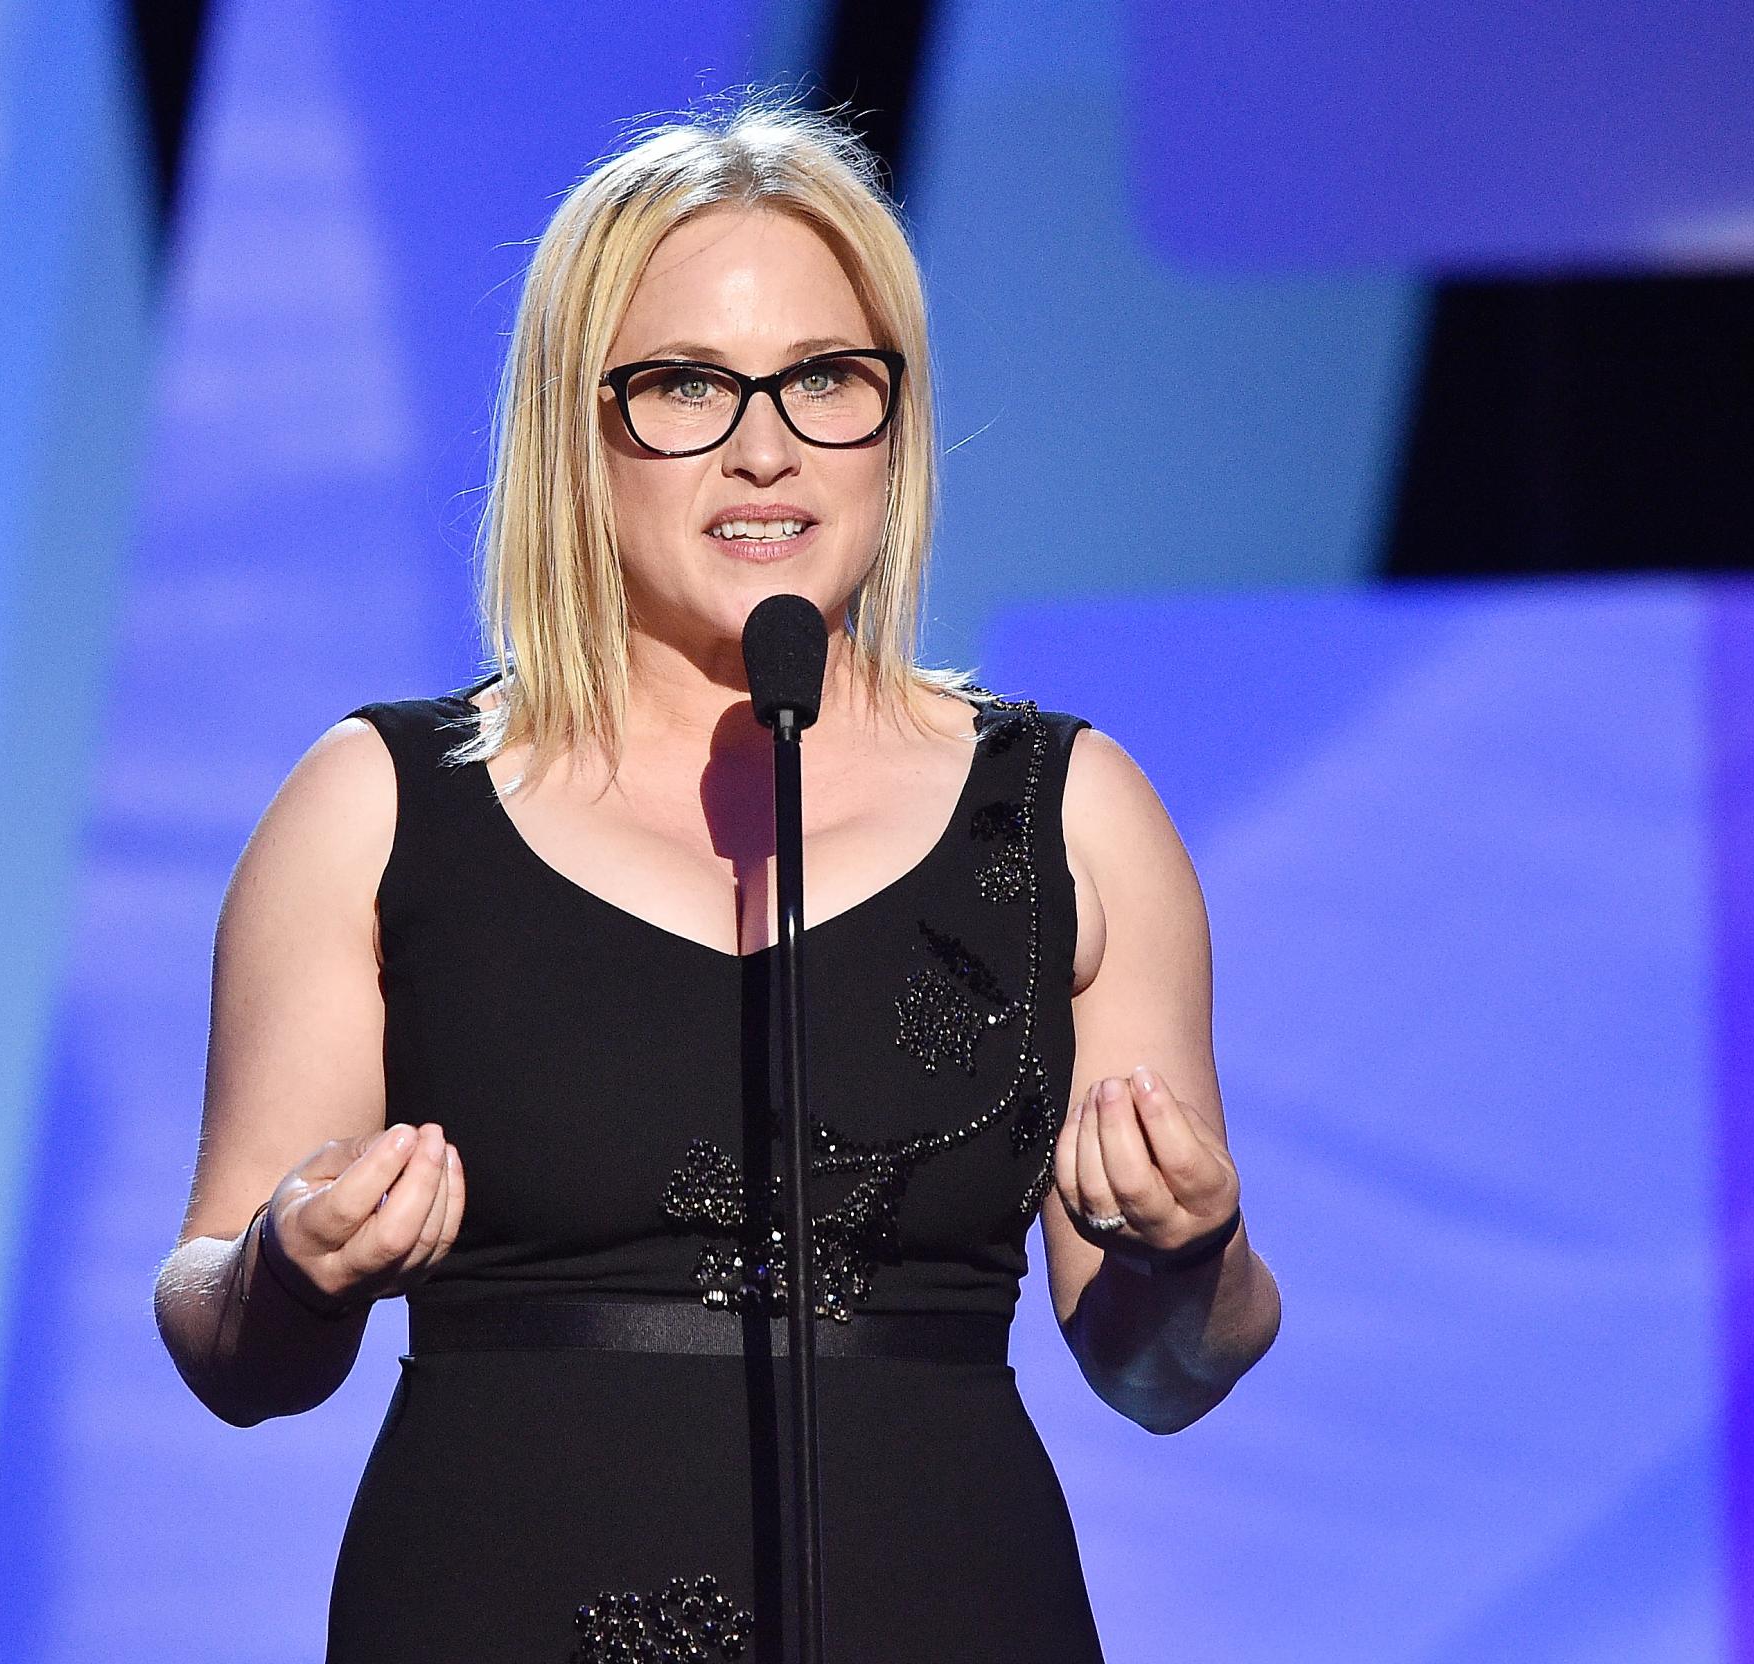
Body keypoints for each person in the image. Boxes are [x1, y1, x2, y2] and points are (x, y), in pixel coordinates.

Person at [153, 96, 1281, 1663]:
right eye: (687, 385)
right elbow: (224, 1343)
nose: (768, 445)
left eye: (827, 379)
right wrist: (290, 1264)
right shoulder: (379, 805)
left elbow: (1164, 1371)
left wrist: (1190, 1251)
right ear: (578, 428)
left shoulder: (1071, 815)